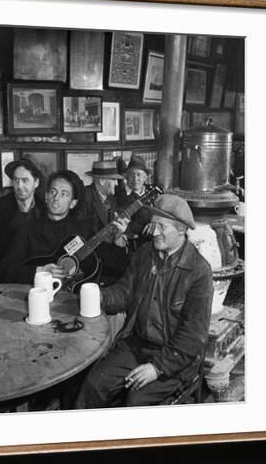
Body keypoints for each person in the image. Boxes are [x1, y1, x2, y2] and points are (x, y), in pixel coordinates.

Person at [73, 194, 213, 408]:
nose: (154, 232)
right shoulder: (145, 254)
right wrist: (100, 298)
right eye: (153, 224)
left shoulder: (198, 272)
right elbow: (124, 292)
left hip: (175, 358)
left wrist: (158, 368)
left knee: (136, 400)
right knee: (94, 384)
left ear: (182, 230)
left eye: (162, 227)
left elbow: (193, 336)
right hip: (135, 345)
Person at [0, 170, 122, 284]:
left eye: (64, 194)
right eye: (53, 192)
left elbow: (114, 268)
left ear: (73, 203)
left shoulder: (84, 230)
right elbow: (4, 271)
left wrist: (118, 240)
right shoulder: (27, 230)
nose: (56, 198)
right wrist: (40, 271)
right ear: (46, 197)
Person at [0, 155, 45, 262]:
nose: (19, 186)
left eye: (25, 180)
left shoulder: (44, 208)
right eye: (16, 180)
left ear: (36, 183)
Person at [81, 160, 128, 280]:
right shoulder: (85, 197)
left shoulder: (111, 199)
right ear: (102, 180)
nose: (116, 184)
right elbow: (80, 234)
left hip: (108, 254)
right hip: (90, 260)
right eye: (113, 180)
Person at [114, 155, 155, 249]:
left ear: (145, 177)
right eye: (132, 174)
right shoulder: (117, 195)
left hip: (150, 245)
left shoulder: (153, 194)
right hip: (125, 246)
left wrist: (156, 222)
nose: (135, 178)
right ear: (126, 177)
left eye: (139, 175)